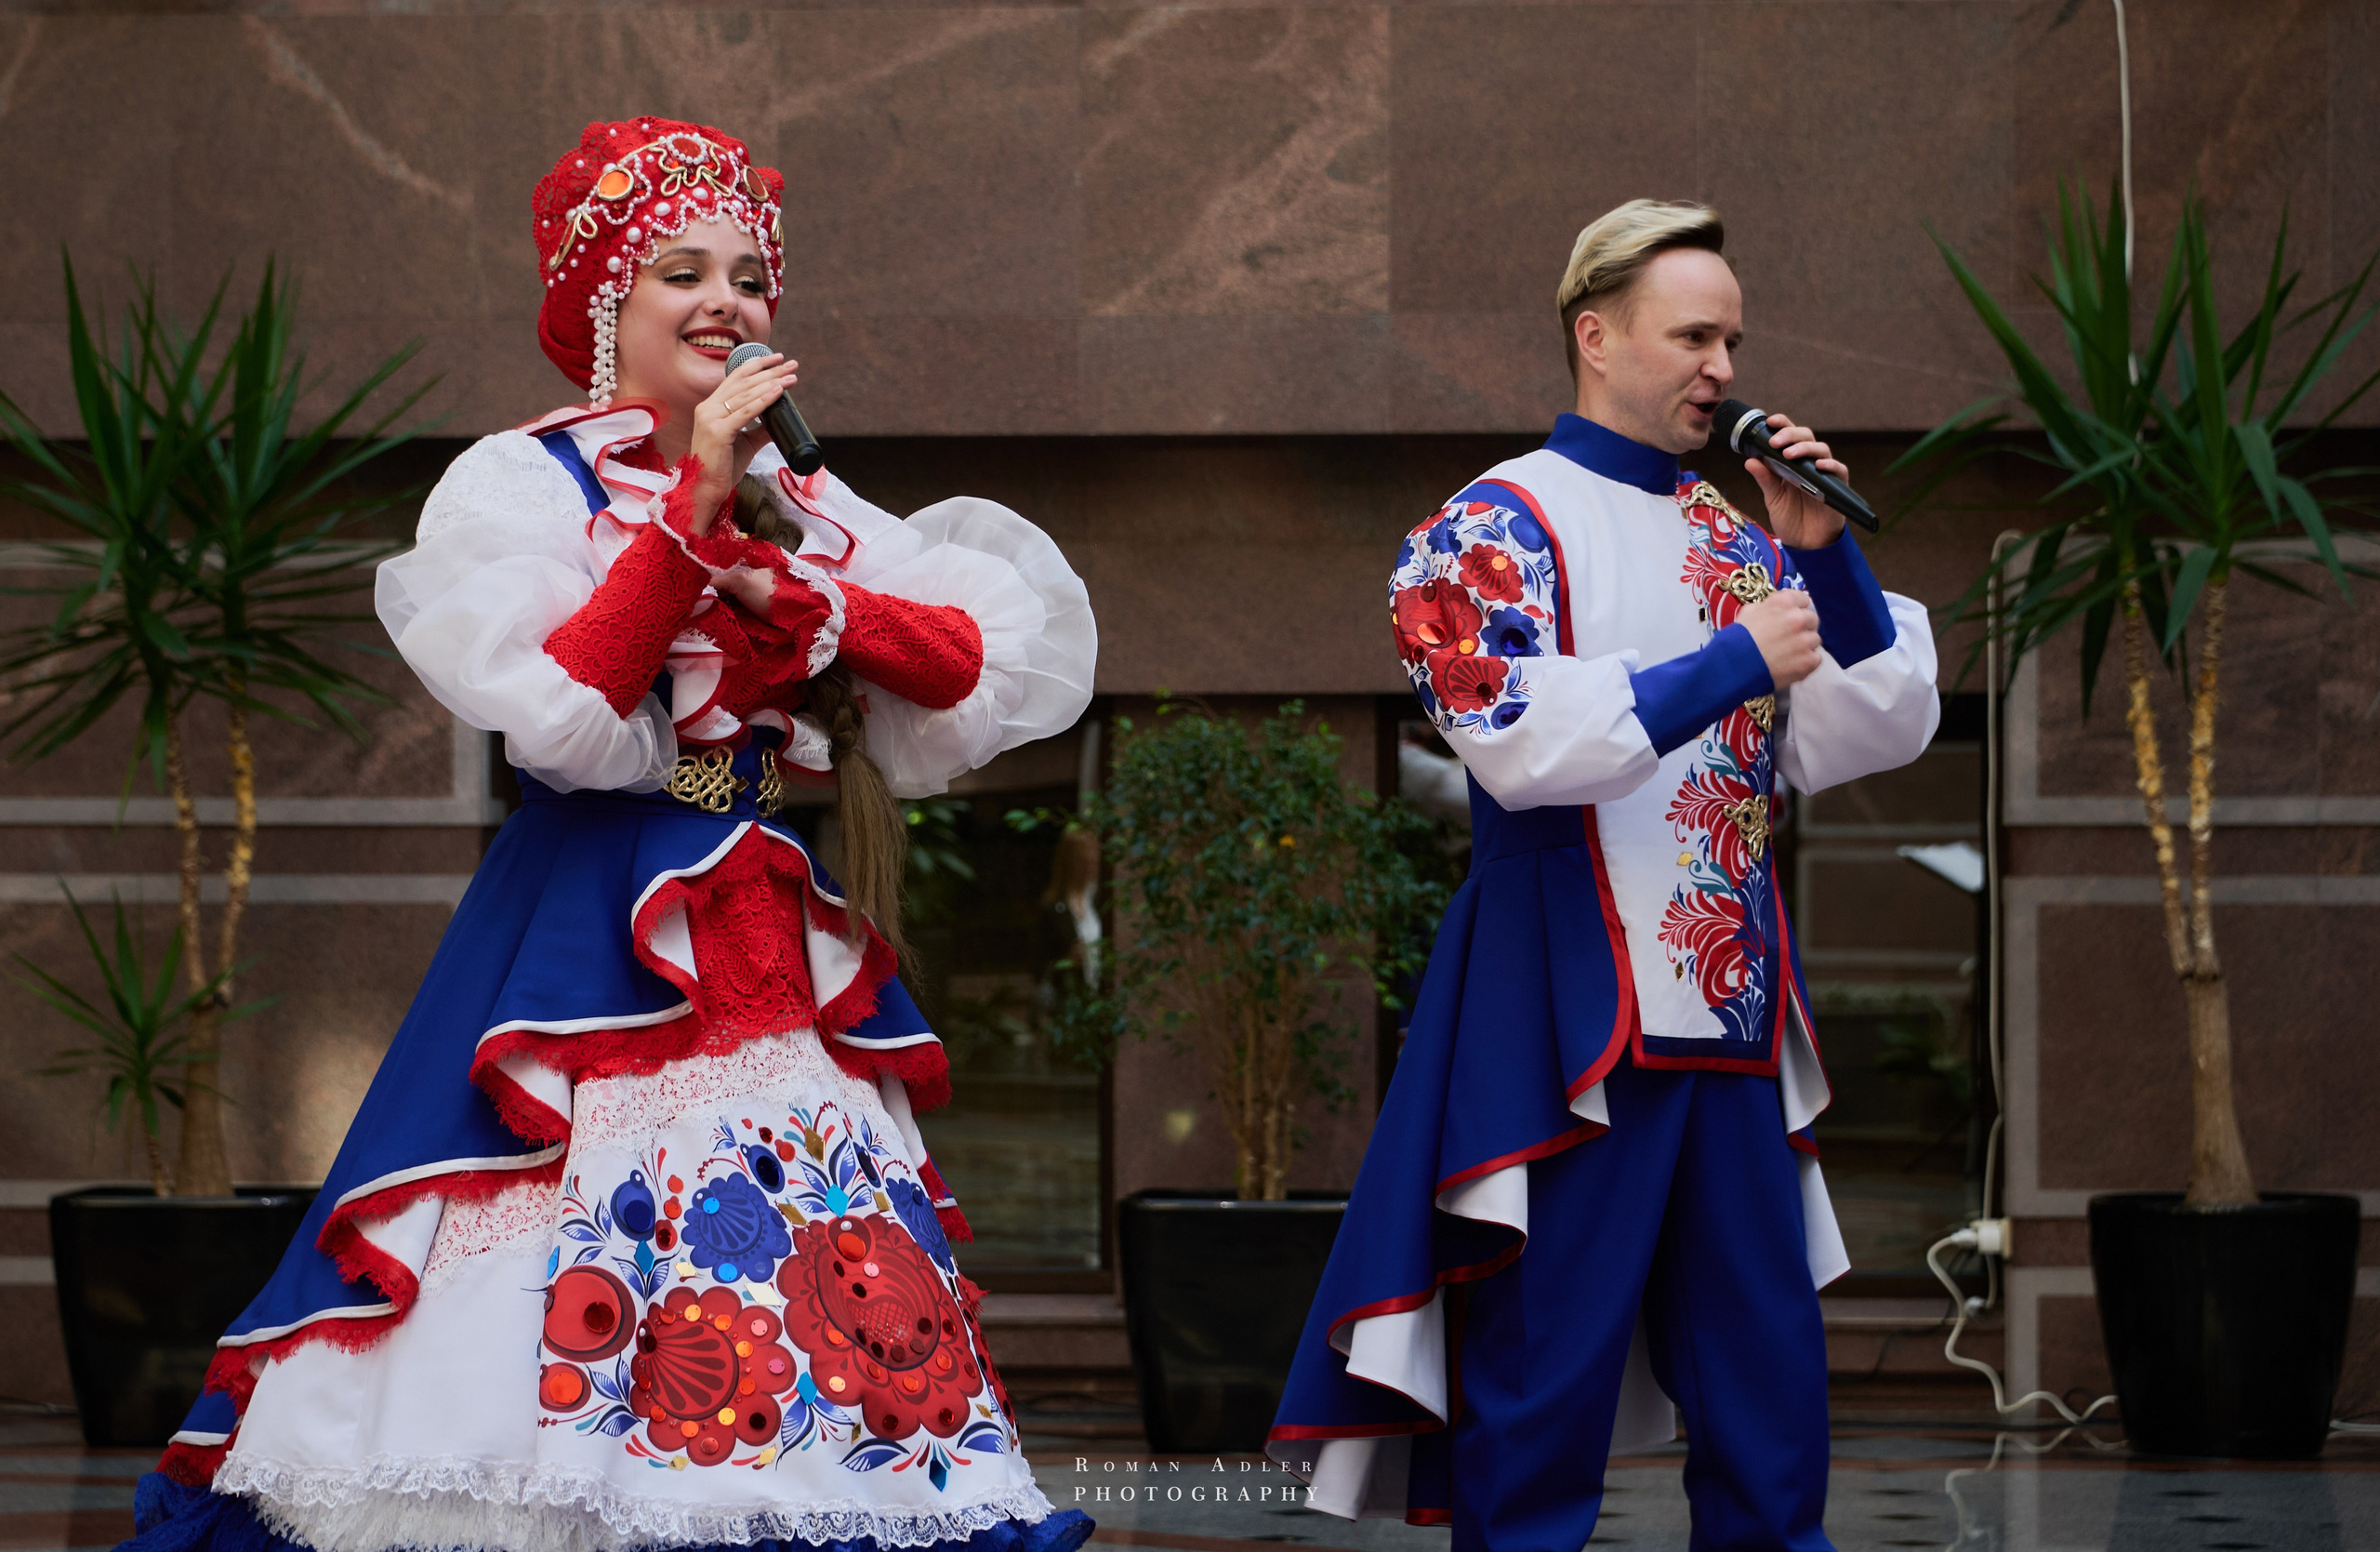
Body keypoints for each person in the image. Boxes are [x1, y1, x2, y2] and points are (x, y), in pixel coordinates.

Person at [126, 117, 1096, 1552]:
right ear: (602, 308)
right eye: (681, 272)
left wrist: (811, 601)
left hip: (762, 921)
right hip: (592, 915)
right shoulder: (526, 485)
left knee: (810, 1256)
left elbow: (979, 664)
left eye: (750, 277)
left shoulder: (814, 500)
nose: (727, 301)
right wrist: (692, 525)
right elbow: (565, 720)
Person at [1267, 199, 1939, 1550]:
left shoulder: (1744, 532)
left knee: (1769, 1394)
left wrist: (1823, 551)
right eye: (1694, 336)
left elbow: (1876, 726)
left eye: (1733, 341)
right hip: (1565, 1009)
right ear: (1596, 336)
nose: (1724, 370)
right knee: (1542, 1384)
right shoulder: (1488, 524)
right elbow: (1520, 740)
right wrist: (1735, 659)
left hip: (1738, 1018)